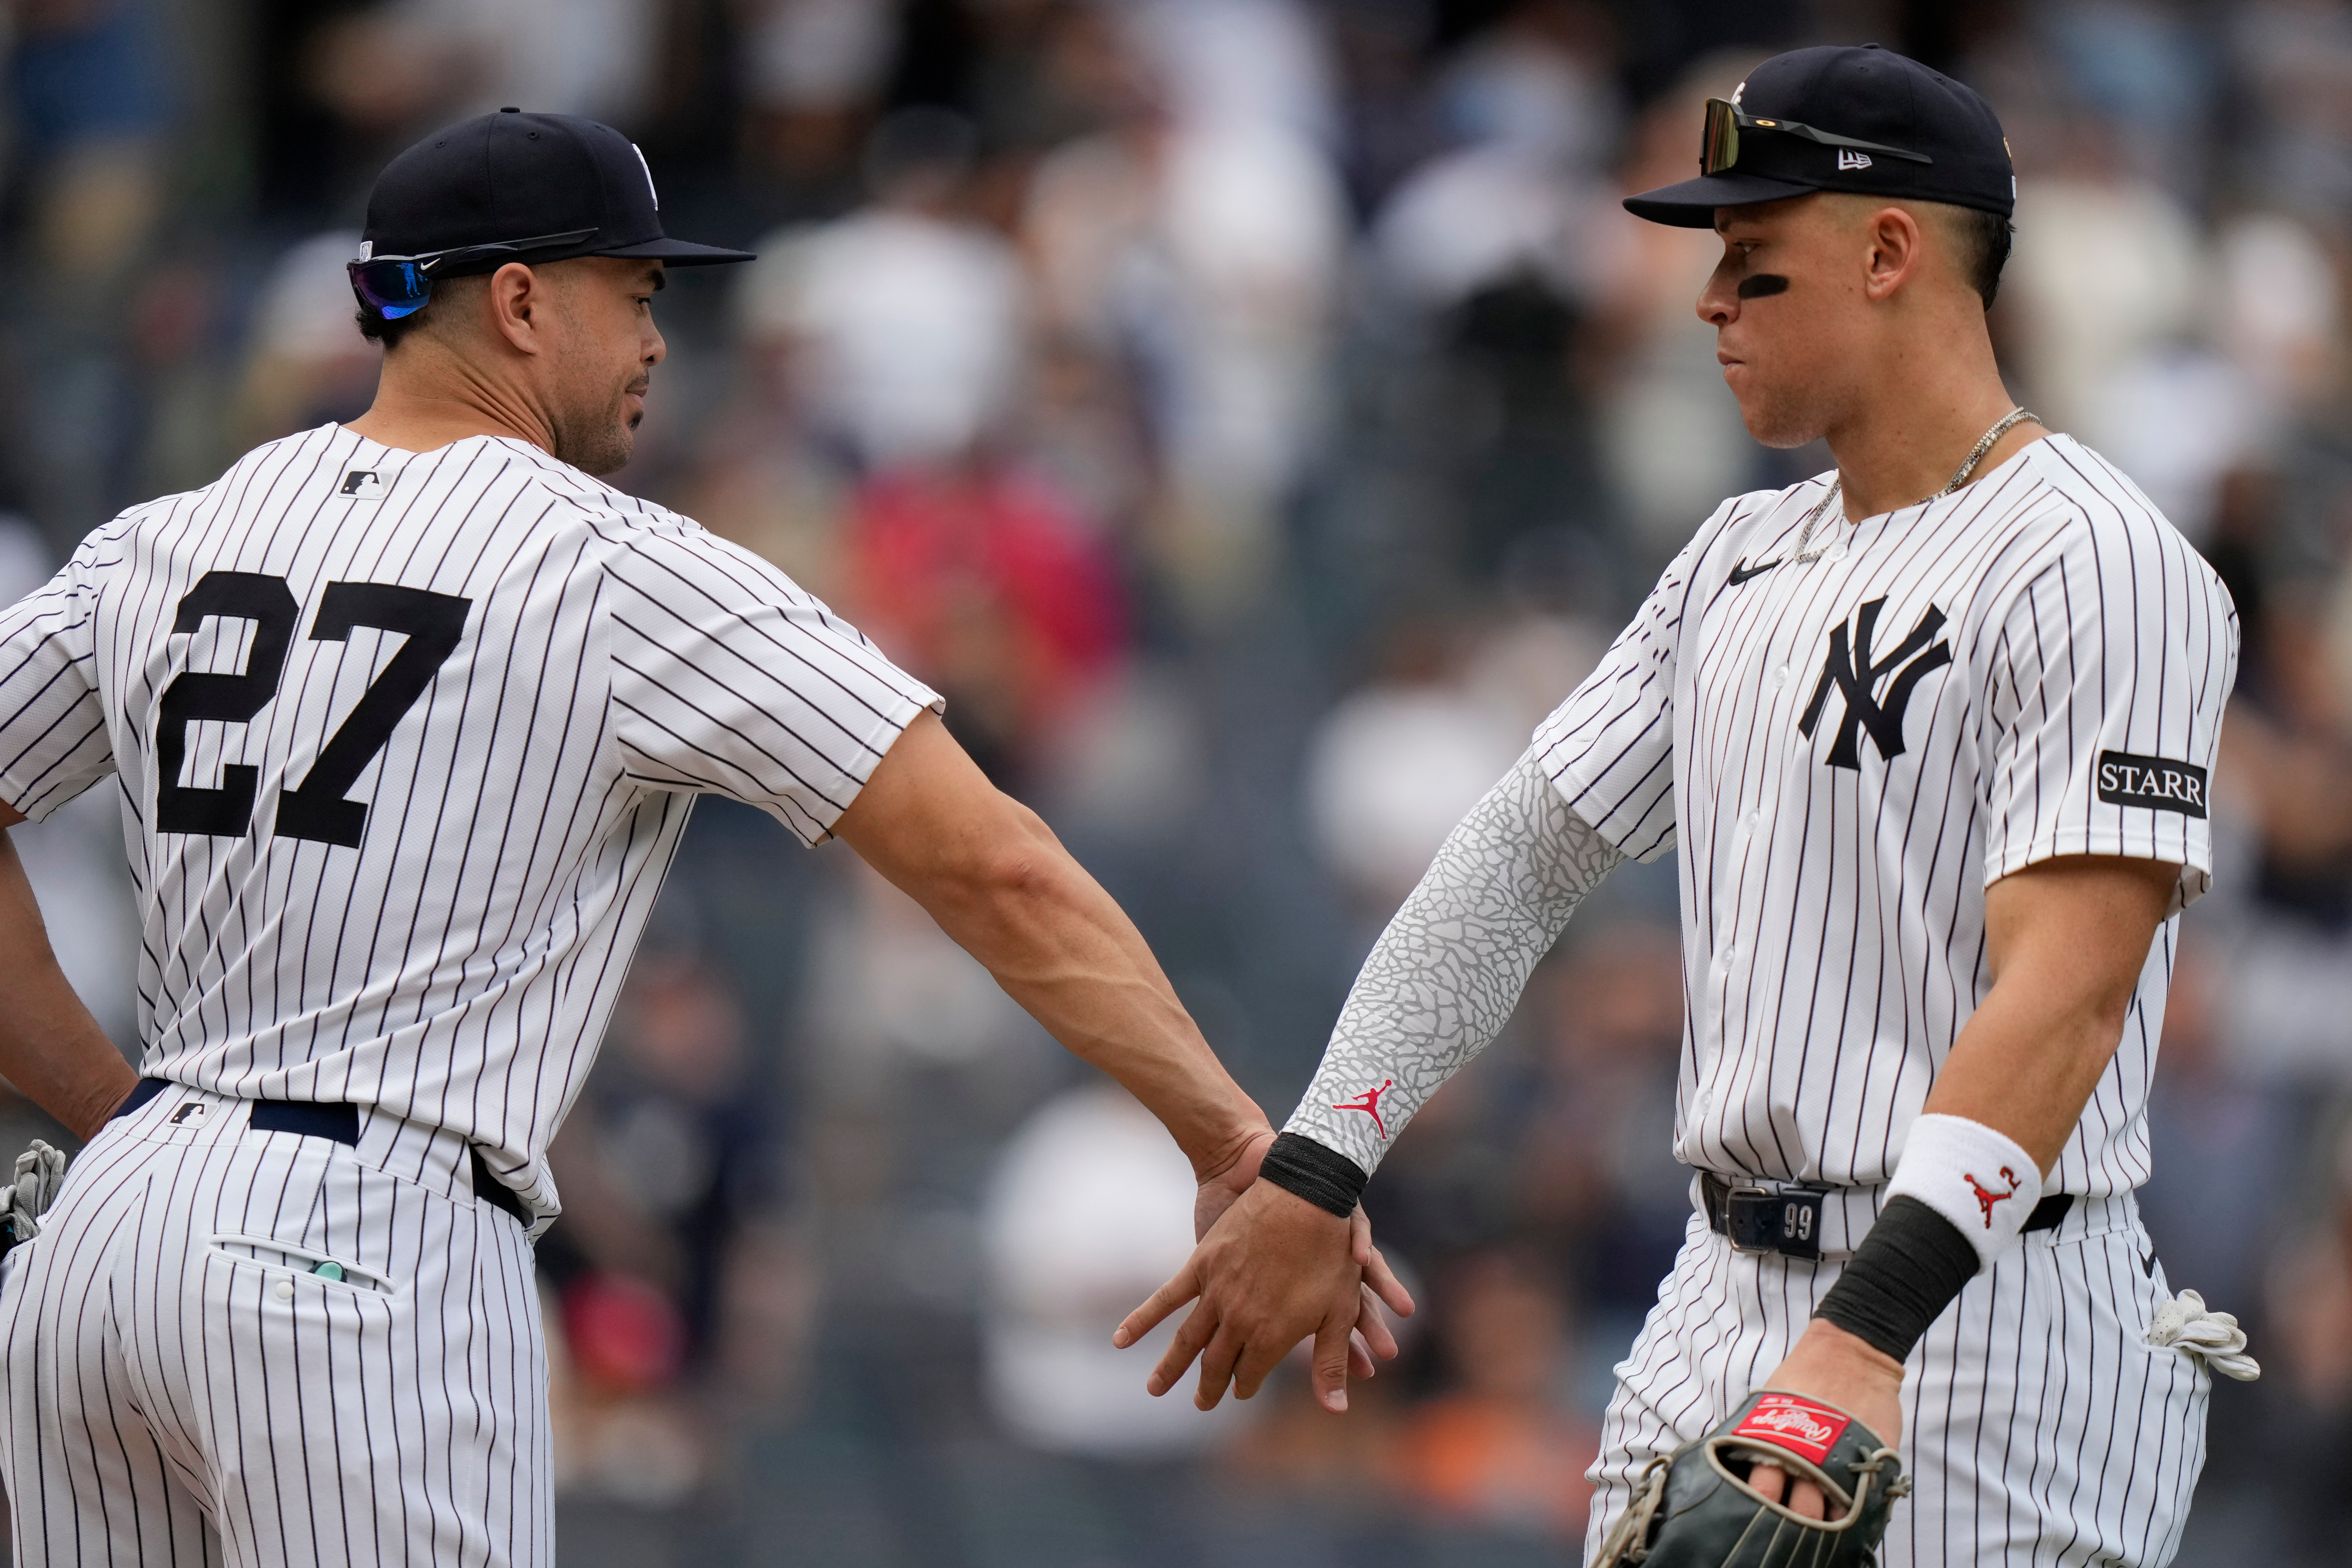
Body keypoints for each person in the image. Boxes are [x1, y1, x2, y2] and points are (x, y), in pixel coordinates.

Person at [0, 108, 1405, 1565]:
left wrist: (118, 1120)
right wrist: (1238, 1139)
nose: (663, 338)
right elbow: (992, 862)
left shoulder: (171, 532)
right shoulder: (604, 559)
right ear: (522, 301)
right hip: (362, 1238)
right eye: (639, 290)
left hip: (99, 1245)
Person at [1119, 44, 2254, 1565]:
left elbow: (2071, 985)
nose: (1705, 303)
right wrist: (1325, 1155)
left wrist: (1865, 1333)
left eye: (1752, 264)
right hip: (1718, 1284)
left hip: (1987, 1325)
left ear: (1889, 250)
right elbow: (1521, 856)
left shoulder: (2096, 555)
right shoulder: (1735, 552)